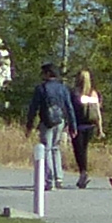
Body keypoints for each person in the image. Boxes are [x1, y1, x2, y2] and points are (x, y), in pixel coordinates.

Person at [29, 61, 76, 192]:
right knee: (56, 148)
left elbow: (33, 108)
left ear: (48, 73)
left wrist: (29, 124)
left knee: (46, 149)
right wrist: (73, 125)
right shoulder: (63, 88)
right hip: (60, 121)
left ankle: (50, 180)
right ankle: (59, 177)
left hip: (47, 121)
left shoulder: (41, 89)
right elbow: (69, 107)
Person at [70, 67, 104, 186]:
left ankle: (83, 172)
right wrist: (100, 128)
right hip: (90, 125)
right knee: (84, 149)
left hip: (78, 125)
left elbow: (70, 110)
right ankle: (83, 172)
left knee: (79, 151)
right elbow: (97, 112)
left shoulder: (75, 93)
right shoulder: (93, 93)